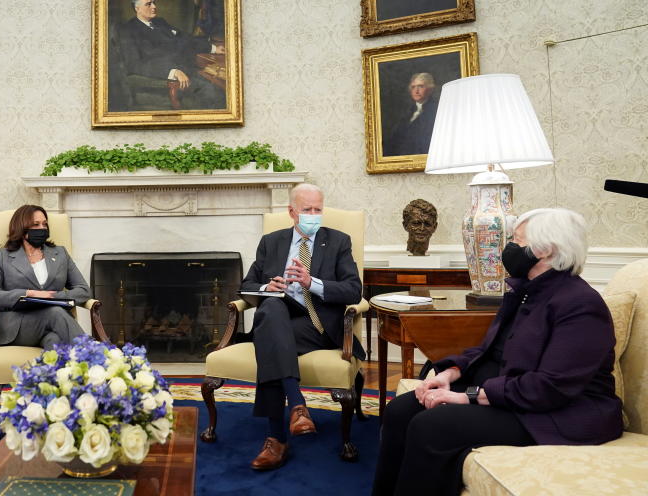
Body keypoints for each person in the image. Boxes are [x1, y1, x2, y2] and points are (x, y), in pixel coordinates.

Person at [372, 208, 623, 496]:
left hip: (559, 411)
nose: (509, 248)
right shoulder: (525, 291)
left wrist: (464, 397)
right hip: (512, 392)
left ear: (545, 249)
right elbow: (488, 350)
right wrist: (451, 373)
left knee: (432, 426)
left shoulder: (580, 304)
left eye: (517, 241)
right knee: (401, 410)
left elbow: (549, 387)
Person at [240, 183, 364, 470]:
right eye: (306, 209)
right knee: (271, 307)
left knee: (269, 339)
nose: (313, 214)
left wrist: (312, 283)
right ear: (291, 212)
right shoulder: (271, 242)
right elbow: (246, 286)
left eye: (317, 209)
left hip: (316, 323)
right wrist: (266, 286)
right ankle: (298, 408)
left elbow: (353, 290)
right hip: (279, 318)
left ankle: (276, 438)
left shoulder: (338, 241)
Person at [0, 204, 89, 348]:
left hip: (52, 325)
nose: (42, 228)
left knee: (54, 342)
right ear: (21, 227)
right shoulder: (3, 256)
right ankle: (96, 354)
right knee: (55, 312)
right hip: (18, 327)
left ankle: (49, 371)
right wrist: (29, 293)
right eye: (35, 225)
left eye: (44, 224)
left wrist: (52, 296)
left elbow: (84, 290)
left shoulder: (60, 253)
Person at [117, 0, 226, 110]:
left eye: (154, 3)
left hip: (188, 70)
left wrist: (213, 48)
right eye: (148, 4)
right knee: (216, 93)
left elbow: (185, 39)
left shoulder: (160, 22)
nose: (154, 7)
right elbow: (135, 64)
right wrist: (172, 71)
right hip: (166, 80)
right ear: (137, 8)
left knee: (221, 84)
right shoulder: (128, 30)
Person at [385, 72, 440, 157]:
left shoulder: (437, 110)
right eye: (413, 87)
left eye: (421, 86)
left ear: (430, 89)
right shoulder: (407, 112)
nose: (416, 91)